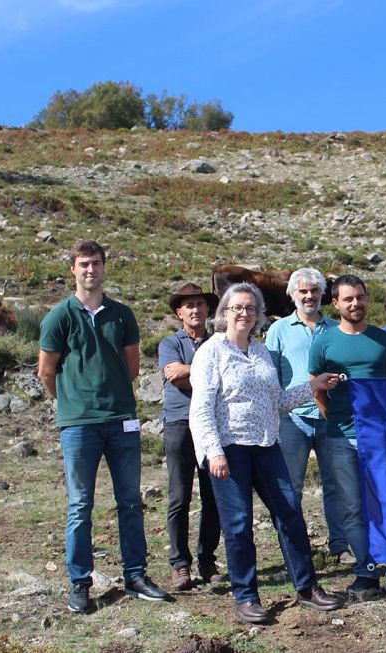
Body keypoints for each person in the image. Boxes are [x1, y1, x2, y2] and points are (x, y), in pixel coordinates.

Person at [189, 282, 344, 624]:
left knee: (290, 513)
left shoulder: (260, 352)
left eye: (251, 308)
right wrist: (213, 452)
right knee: (239, 523)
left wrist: (313, 387)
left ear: (260, 315)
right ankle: (246, 596)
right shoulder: (211, 351)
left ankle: (307, 588)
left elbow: (278, 403)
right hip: (229, 450)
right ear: (224, 313)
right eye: (238, 308)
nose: (245, 314)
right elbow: (200, 409)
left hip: (266, 445)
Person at [38, 239, 169, 614]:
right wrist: (71, 403)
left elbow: (131, 368)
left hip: (121, 420)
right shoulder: (59, 317)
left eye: (96, 263)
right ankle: (80, 582)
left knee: (130, 501)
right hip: (79, 424)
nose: (90, 270)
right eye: (83, 264)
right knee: (80, 504)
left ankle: (136, 575)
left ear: (104, 267)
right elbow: (46, 372)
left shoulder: (122, 314)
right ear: (73, 270)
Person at [307, 275, 386, 603]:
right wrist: (336, 422)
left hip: (382, 439)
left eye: (359, 297)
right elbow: (317, 388)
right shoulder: (324, 341)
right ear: (336, 304)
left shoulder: (383, 340)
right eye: (348, 299)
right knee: (354, 509)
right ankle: (367, 571)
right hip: (341, 439)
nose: (355, 303)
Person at [265, 268, 351, 565]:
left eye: (314, 291)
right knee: (290, 488)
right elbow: (270, 375)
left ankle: (340, 545)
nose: (309, 296)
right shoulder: (278, 330)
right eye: (303, 291)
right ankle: (294, 549)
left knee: (335, 485)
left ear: (322, 295)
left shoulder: (336, 328)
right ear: (292, 295)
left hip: (331, 417)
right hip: (292, 418)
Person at [159, 282, 225, 591]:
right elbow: (174, 376)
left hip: (212, 425)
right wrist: (206, 375)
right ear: (179, 312)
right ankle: (179, 564)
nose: (196, 310)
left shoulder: (219, 342)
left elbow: (224, 379)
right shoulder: (169, 344)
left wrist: (192, 373)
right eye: (189, 306)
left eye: (200, 304)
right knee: (179, 495)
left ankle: (207, 560)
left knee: (213, 496)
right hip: (179, 424)